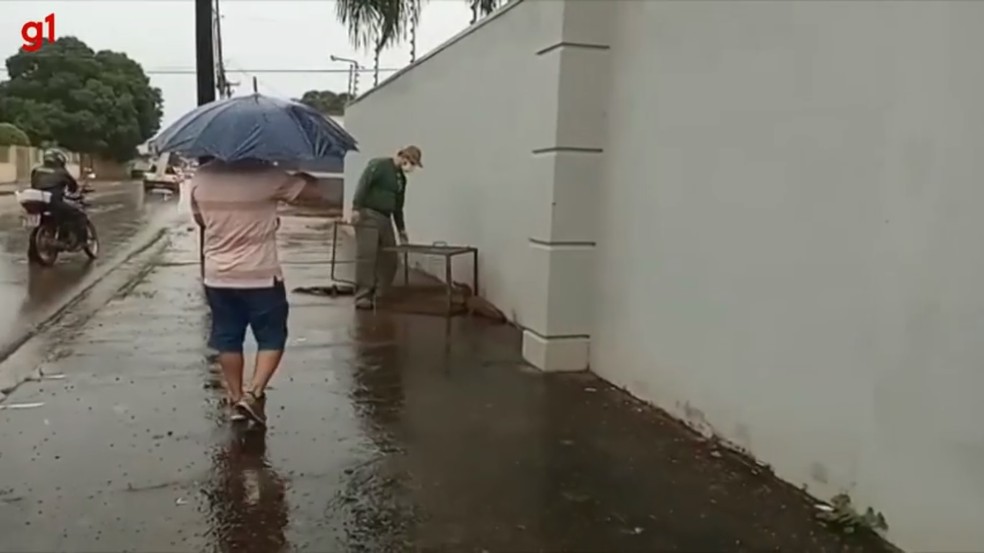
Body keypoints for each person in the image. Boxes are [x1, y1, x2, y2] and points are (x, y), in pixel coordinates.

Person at [188, 158, 323, 427]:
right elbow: (313, 194)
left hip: (218, 275)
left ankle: (236, 397)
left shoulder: (201, 177)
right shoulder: (268, 175)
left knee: (227, 336)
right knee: (272, 335)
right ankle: (254, 392)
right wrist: (305, 178)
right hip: (261, 275)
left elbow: (200, 220)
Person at [350, 145, 423, 310]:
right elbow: (364, 184)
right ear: (404, 157)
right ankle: (363, 295)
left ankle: (380, 291)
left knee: (390, 259)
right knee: (367, 257)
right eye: (411, 162)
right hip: (368, 214)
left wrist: (401, 229)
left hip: (385, 217)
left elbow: (398, 206)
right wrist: (356, 208)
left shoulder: (401, 179)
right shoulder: (380, 166)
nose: (410, 167)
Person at [30, 149, 85, 237]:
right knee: (79, 215)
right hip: (53, 202)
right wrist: (74, 191)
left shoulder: (36, 170)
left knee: (40, 223)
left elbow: (33, 184)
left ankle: (33, 249)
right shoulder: (61, 172)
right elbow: (73, 186)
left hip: (37, 202)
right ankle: (81, 240)